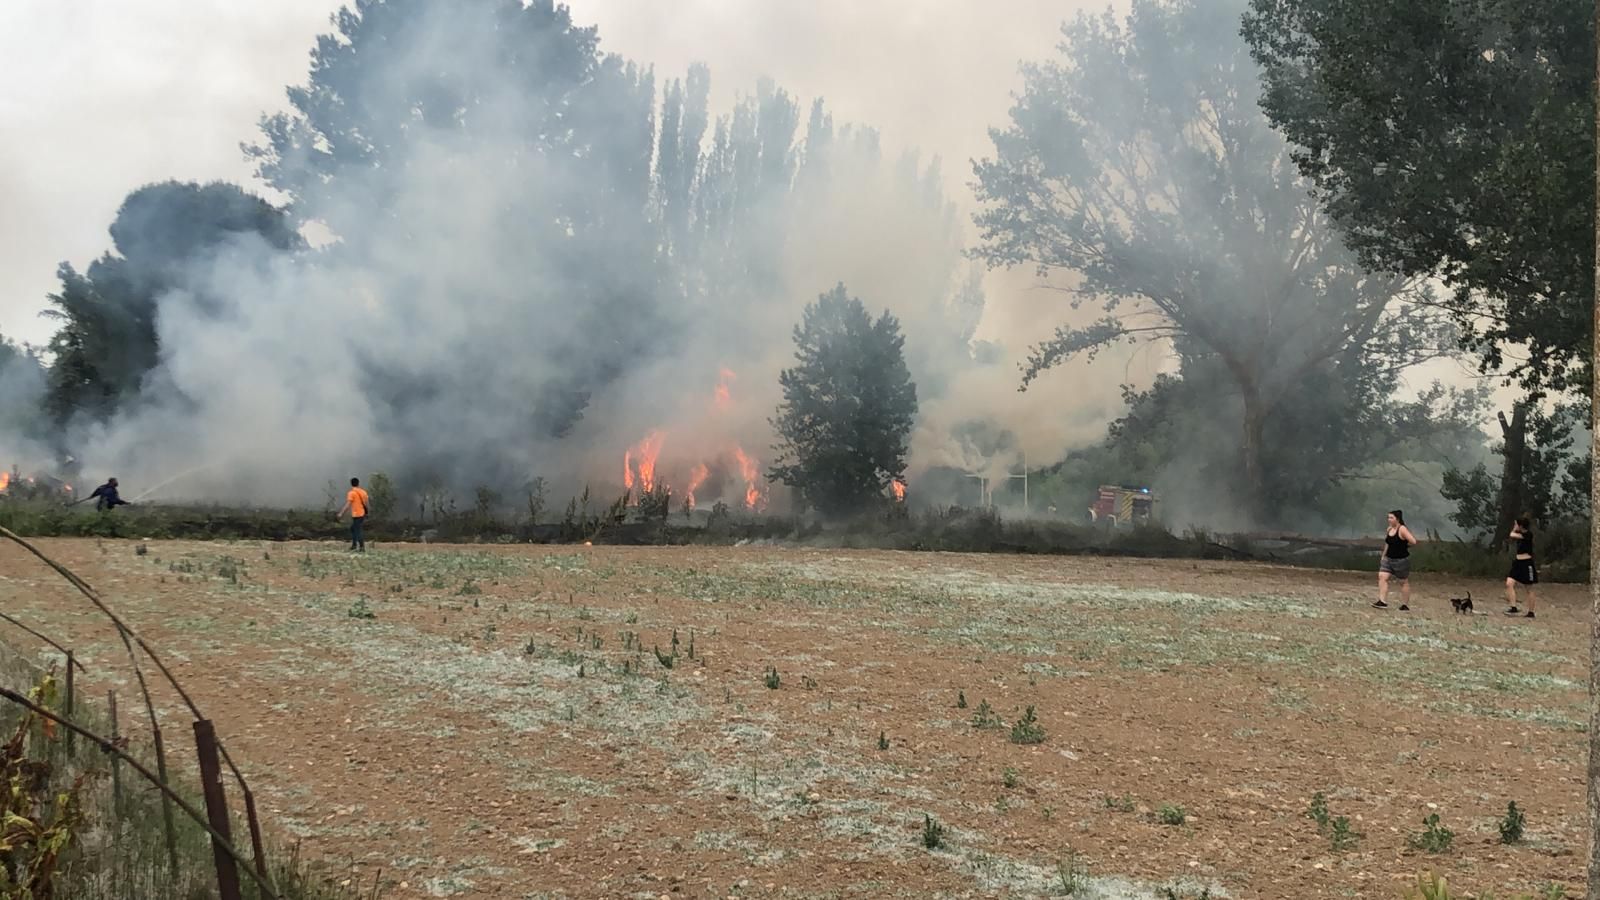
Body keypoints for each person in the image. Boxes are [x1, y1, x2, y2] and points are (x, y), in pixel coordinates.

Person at [1373, 509, 1417, 610]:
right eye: (1388, 517)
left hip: (1400, 560)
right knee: (1382, 577)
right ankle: (1382, 601)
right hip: (1388, 559)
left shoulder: (1402, 529)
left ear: (1397, 519)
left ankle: (1405, 605)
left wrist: (1404, 546)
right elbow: (1387, 543)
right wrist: (1383, 556)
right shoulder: (1389, 529)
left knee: (1403, 582)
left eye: (1391, 518)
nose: (1389, 519)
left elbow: (1413, 541)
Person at [1503, 516, 1537, 619]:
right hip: (1518, 563)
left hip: (1527, 564)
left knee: (1529, 588)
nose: (1514, 526)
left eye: (1516, 524)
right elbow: (1512, 537)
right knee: (1509, 583)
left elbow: (1512, 534)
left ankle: (1531, 612)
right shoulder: (1521, 535)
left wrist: (1514, 529)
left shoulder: (1528, 534)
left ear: (1521, 526)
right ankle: (1513, 607)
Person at [336, 477, 370, 552]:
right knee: (353, 528)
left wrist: (341, 513)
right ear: (358, 483)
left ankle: (361, 547)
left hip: (357, 514)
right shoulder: (363, 492)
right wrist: (367, 512)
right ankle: (354, 545)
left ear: (351, 484)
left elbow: (348, 504)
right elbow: (367, 503)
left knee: (357, 530)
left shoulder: (351, 493)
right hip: (362, 514)